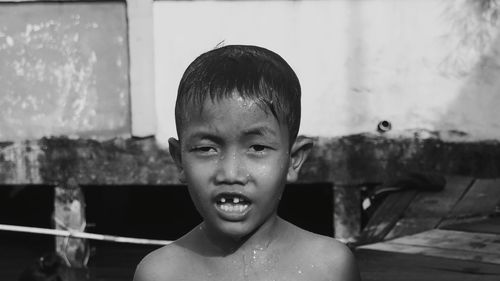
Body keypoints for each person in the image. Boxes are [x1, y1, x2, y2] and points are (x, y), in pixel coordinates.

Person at [133, 45, 361, 281]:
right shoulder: (161, 273)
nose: (231, 173)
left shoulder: (330, 267)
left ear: (293, 160)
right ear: (179, 159)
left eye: (258, 148)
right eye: (206, 149)